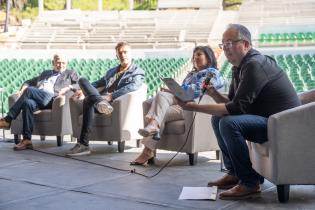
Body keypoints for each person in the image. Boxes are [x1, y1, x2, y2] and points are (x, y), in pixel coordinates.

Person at [178, 24, 301, 200]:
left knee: (229, 122)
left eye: (230, 42)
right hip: (267, 120)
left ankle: (250, 182)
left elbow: (233, 110)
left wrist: (193, 106)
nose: (225, 48)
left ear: (245, 44)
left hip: (282, 125)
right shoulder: (240, 67)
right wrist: (213, 94)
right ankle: (234, 173)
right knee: (217, 119)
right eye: (223, 44)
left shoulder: (254, 64)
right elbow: (234, 104)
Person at [131, 46, 225, 165]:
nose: (195, 57)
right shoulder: (191, 74)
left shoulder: (212, 73)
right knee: (160, 103)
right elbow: (183, 93)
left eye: (199, 54)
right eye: (194, 55)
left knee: (160, 108)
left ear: (209, 57)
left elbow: (199, 89)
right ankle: (151, 136)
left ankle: (147, 149)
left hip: (193, 107)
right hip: (181, 104)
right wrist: (174, 91)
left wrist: (176, 90)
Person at [66, 41, 145, 156]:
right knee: (82, 81)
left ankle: (84, 144)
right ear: (117, 55)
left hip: (115, 103)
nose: (123, 55)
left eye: (125, 52)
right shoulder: (111, 71)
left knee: (89, 100)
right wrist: (83, 90)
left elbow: (133, 86)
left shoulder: (137, 71)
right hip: (102, 102)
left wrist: (111, 96)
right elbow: (98, 83)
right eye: (120, 53)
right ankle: (84, 145)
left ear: (131, 53)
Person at [0, 53, 80, 150]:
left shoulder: (70, 73)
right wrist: (24, 86)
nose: (61, 65)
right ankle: (27, 140)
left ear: (66, 63)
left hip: (53, 99)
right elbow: (29, 81)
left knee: (29, 91)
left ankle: (8, 119)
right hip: (39, 99)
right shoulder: (45, 74)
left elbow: (79, 85)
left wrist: (68, 87)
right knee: (27, 103)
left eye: (63, 63)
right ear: (53, 62)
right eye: (58, 62)